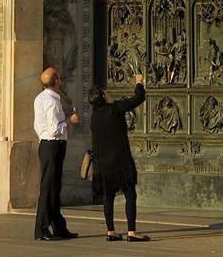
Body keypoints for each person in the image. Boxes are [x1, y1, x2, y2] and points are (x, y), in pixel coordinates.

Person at [87, 72, 149, 242]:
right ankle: (132, 231)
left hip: (102, 164)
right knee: (130, 193)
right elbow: (138, 98)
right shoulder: (114, 108)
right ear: (103, 96)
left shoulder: (94, 117)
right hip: (120, 160)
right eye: (104, 91)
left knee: (108, 196)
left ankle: (111, 231)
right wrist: (139, 82)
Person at [33, 65, 79, 241]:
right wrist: (69, 121)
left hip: (46, 145)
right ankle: (42, 228)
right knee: (48, 187)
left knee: (53, 187)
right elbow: (54, 130)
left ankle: (58, 226)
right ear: (57, 81)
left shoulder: (40, 98)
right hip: (53, 145)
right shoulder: (52, 102)